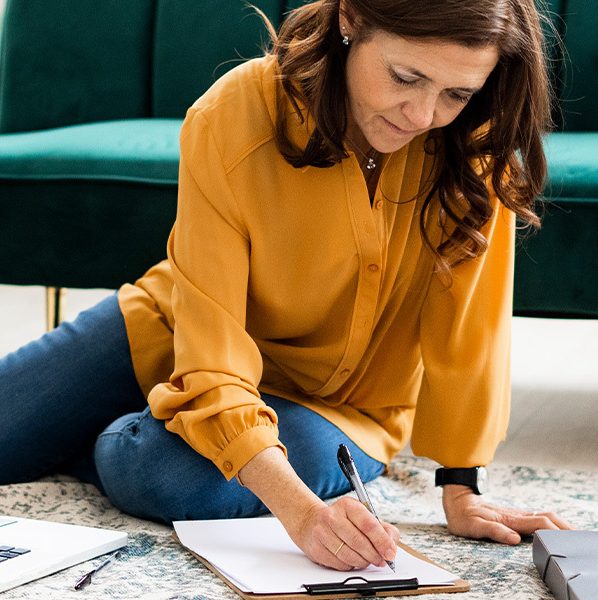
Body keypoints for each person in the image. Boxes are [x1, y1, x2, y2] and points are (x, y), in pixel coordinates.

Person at [0, 0, 571, 572]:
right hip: (175, 329)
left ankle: (143, 423)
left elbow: (470, 325)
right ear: (350, 19)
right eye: (406, 77)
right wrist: (302, 513)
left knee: (154, 468)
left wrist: (462, 486)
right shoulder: (236, 111)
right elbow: (210, 334)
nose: (424, 114)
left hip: (335, 408)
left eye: (457, 94)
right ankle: (168, 407)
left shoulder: (477, 143)